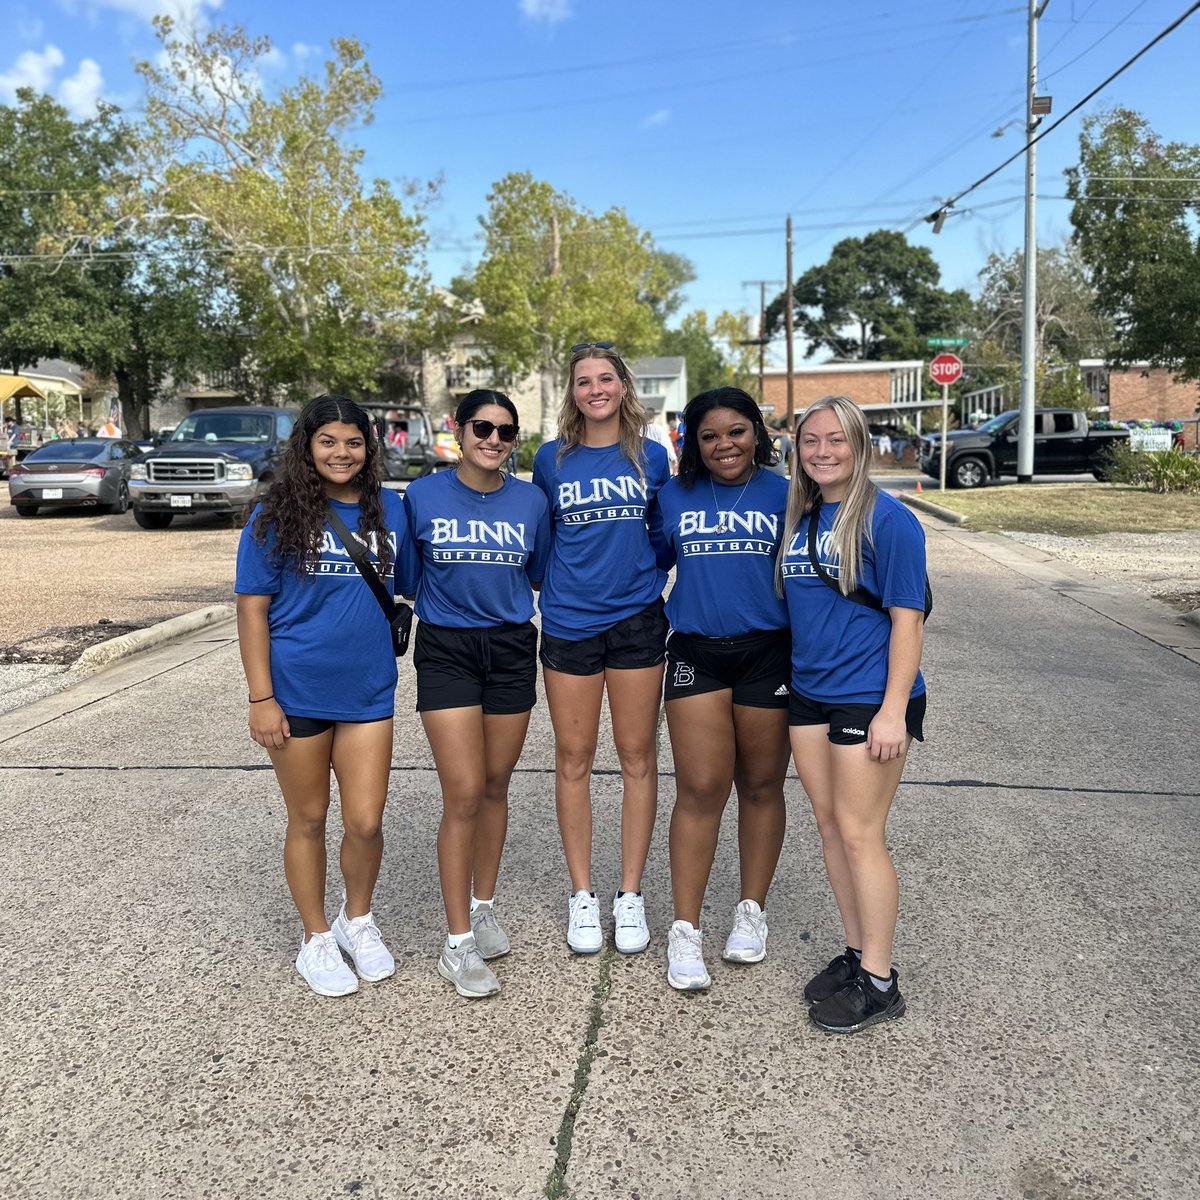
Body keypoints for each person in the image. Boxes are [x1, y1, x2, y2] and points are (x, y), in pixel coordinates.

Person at [234, 395, 415, 999]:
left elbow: (411, 583)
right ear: (307, 447)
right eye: (328, 441)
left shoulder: (392, 509)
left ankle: (355, 920)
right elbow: (252, 611)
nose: (342, 453)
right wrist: (261, 698)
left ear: (369, 447)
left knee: (365, 820)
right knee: (309, 818)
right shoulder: (273, 515)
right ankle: (314, 936)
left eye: (353, 442)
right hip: (296, 691)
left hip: (368, 689)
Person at [777, 395, 927, 1034]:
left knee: (862, 832)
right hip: (809, 692)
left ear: (860, 446)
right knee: (831, 825)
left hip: (868, 694)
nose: (823, 452)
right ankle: (857, 953)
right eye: (811, 440)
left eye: (836, 439)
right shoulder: (804, 516)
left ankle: (881, 982)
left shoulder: (889, 521)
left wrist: (893, 711)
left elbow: (908, 621)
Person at [405, 390, 551, 999]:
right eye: (482, 428)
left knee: (495, 784)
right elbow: (409, 576)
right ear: (459, 430)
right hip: (447, 648)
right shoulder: (422, 496)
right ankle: (457, 942)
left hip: (512, 647)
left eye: (505, 431)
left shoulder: (532, 502)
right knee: (463, 791)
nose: (493, 440)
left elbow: (535, 572)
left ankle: (482, 907)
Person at [647, 388, 792, 991]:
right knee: (701, 788)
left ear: (757, 433)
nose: (724, 445)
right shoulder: (673, 496)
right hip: (697, 652)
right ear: (693, 444)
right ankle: (685, 930)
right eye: (709, 436)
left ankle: (751, 912)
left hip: (769, 652)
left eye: (736, 432)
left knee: (759, 784)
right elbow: (647, 563)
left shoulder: (788, 494)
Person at [533, 341, 671, 955]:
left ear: (623, 386)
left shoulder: (652, 457)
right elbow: (543, 539)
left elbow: (663, 534)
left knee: (638, 756)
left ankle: (630, 894)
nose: (596, 389)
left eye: (606, 378)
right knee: (574, 758)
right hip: (569, 623)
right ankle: (583, 894)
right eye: (584, 380)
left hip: (637, 621)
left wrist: (642, 575)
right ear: (573, 391)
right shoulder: (551, 459)